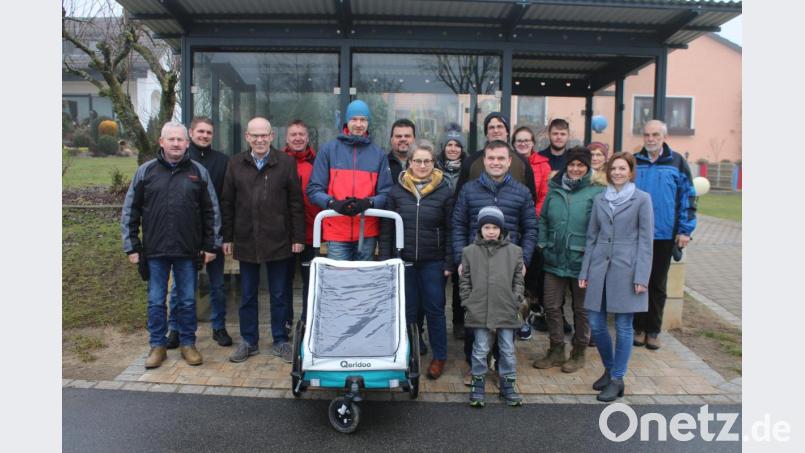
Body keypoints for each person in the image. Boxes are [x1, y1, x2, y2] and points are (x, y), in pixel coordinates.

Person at [121, 121, 220, 369]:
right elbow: (130, 211)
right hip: (154, 251)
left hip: (188, 251)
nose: (176, 144)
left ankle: (188, 343)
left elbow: (211, 212)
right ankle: (157, 346)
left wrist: (210, 245)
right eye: (171, 139)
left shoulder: (198, 172)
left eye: (180, 139)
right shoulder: (145, 172)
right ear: (161, 142)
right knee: (156, 300)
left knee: (187, 300)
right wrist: (132, 246)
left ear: (187, 143)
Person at [221, 117, 305, 364]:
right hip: (246, 239)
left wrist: (298, 236)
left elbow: (295, 204)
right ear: (247, 137)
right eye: (254, 136)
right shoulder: (235, 164)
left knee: (279, 293)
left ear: (271, 136)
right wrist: (227, 236)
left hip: (279, 239)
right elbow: (227, 203)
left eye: (264, 135)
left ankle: (280, 341)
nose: (259, 140)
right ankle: (249, 341)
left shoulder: (286, 163)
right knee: (247, 294)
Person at [452, 140, 537, 382]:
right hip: (475, 265)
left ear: (509, 161)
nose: (496, 163)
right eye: (491, 158)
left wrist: (525, 260)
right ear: (484, 161)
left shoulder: (521, 192)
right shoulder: (469, 190)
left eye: (501, 158)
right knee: (475, 313)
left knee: (506, 315)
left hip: (508, 268)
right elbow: (457, 225)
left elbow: (531, 228)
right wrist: (461, 257)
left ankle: (501, 365)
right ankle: (473, 364)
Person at [579, 152, 654, 402]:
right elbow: (592, 237)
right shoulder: (601, 199)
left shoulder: (642, 199)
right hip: (599, 267)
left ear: (631, 172)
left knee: (623, 327)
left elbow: (646, 241)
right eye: (614, 169)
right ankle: (610, 369)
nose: (618, 173)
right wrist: (585, 270)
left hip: (627, 269)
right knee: (597, 324)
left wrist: (642, 276)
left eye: (623, 168)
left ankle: (618, 378)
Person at [379, 141, 454, 380]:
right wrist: (387, 261)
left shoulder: (444, 190)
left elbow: (452, 228)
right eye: (417, 161)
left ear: (434, 163)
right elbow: (387, 230)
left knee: (435, 309)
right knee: (408, 311)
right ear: (409, 162)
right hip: (405, 261)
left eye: (427, 161)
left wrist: (449, 262)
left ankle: (439, 356)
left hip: (434, 261)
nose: (422, 165)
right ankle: (408, 353)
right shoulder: (396, 190)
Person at [532, 147, 604, 374]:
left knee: (581, 309)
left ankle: (579, 351)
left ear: (587, 167)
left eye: (580, 165)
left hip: (582, 260)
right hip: (554, 256)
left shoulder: (596, 192)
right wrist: (543, 243)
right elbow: (543, 219)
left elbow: (602, 225)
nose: (575, 169)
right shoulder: (555, 189)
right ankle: (556, 349)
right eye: (571, 164)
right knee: (551, 305)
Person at [165, 117, 232, 349]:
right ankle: (175, 328)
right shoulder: (180, 160)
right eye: (200, 131)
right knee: (181, 286)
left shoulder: (223, 161)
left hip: (213, 233)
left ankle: (219, 327)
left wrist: (221, 236)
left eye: (209, 132)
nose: (204, 135)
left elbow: (225, 200)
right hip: (186, 234)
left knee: (217, 285)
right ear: (191, 133)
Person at [633, 120, 697, 350]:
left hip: (663, 235)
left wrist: (685, 230)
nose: (650, 139)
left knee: (657, 285)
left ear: (664, 137)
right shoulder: (634, 161)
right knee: (638, 283)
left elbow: (688, 197)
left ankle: (652, 330)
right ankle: (638, 328)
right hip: (636, 234)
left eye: (655, 135)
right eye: (647, 135)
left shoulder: (677, 162)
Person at [307, 99, 393, 261]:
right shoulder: (329, 150)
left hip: (366, 231)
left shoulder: (378, 154)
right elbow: (314, 189)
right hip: (337, 230)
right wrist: (332, 203)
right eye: (354, 119)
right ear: (347, 121)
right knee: (339, 282)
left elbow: (387, 192)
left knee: (363, 283)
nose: (359, 124)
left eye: (363, 120)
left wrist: (369, 202)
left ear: (368, 122)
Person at [460, 206, 526, 407]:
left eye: (495, 227)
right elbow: (465, 279)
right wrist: (467, 300)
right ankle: (478, 384)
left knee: (507, 349)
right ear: (480, 229)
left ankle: (508, 384)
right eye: (486, 227)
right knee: (480, 348)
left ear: (501, 229)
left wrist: (516, 298)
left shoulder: (514, 252)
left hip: (507, 307)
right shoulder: (469, 252)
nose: (491, 231)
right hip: (479, 308)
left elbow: (518, 279)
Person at [282, 120, 322, 325]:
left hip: (311, 232)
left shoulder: (318, 162)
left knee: (310, 281)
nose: (297, 138)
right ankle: (286, 320)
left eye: (301, 134)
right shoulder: (278, 161)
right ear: (286, 138)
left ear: (307, 137)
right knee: (284, 282)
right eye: (293, 134)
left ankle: (308, 320)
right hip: (284, 235)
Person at [437, 130, 468, 340]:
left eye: (457, 145)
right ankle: (437, 322)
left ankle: (458, 322)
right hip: (438, 229)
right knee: (439, 279)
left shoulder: (467, 169)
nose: (453, 148)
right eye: (449, 144)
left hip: (461, 228)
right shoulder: (435, 167)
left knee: (460, 279)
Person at [387, 119, 416, 183]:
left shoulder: (423, 163)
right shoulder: (383, 163)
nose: (403, 139)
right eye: (398, 136)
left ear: (414, 139)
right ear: (391, 139)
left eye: (407, 136)